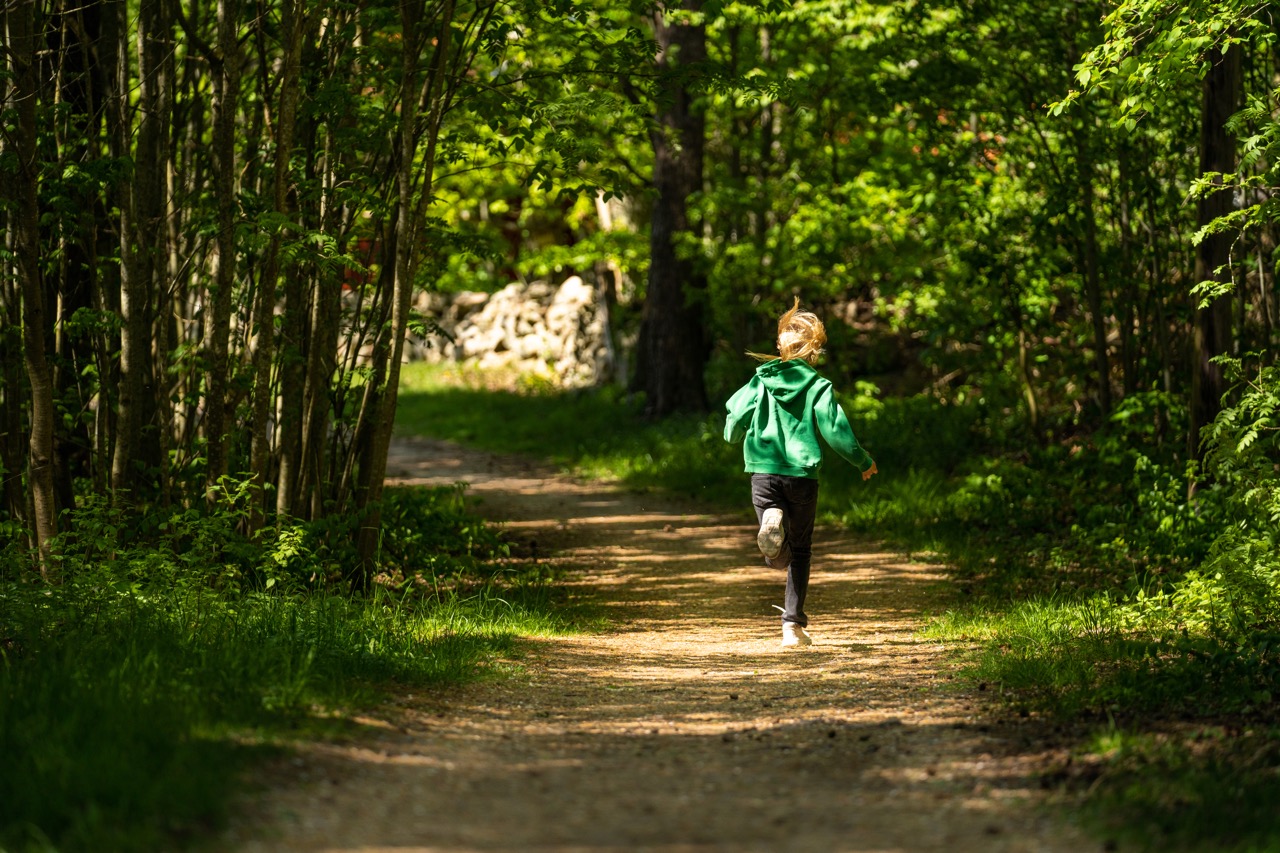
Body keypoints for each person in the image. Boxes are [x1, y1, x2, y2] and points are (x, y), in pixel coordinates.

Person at [723, 298, 878, 647]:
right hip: (802, 476)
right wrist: (863, 461)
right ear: (814, 350)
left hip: (763, 472)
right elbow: (836, 431)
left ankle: (772, 530)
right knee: (802, 549)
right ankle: (792, 626)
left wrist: (731, 434)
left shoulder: (760, 380)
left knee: (777, 554)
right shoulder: (818, 387)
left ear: (780, 346)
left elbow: (735, 414)